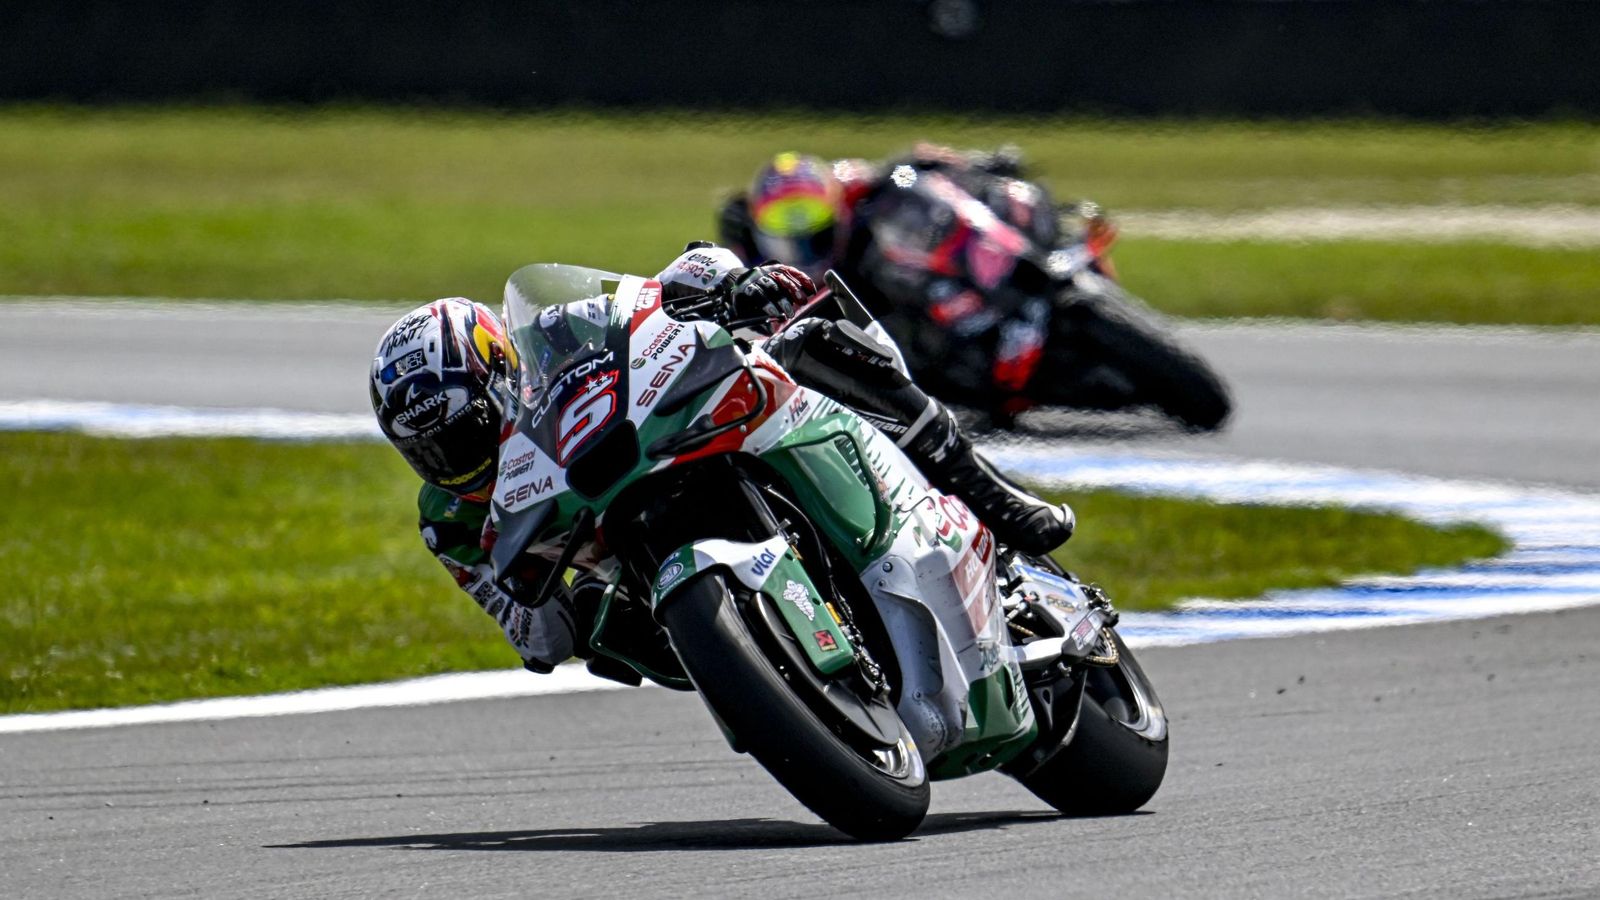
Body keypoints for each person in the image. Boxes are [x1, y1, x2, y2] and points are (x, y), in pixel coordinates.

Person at [369, 246, 1073, 673]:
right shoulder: (447, 521)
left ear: (499, 375)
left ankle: (989, 491)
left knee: (812, 337)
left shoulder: (557, 327)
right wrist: (565, 599)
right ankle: (767, 670)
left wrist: (727, 286)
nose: (452, 461)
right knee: (602, 629)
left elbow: (658, 289)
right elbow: (533, 637)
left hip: (652, 442)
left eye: (461, 434)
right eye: (429, 452)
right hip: (625, 574)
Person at [717, 145, 1080, 420]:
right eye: (791, 242)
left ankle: (1010, 264)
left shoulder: (855, 189)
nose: (805, 250)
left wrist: (958, 163)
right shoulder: (749, 258)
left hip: (905, 276)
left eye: (817, 236)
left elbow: (907, 169)